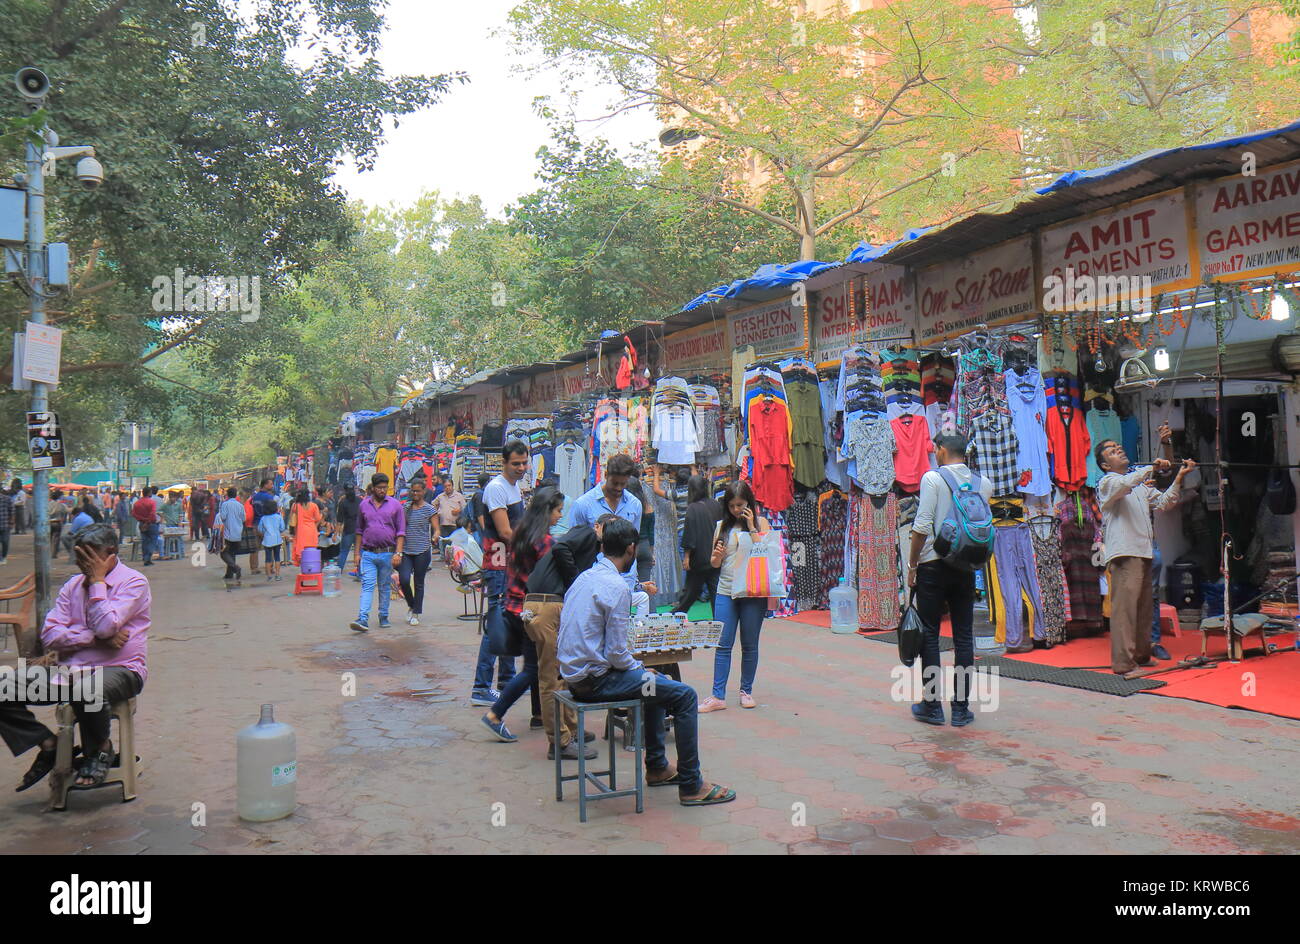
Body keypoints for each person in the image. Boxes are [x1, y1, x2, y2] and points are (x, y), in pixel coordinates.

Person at [558, 518, 736, 807]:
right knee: (685, 695)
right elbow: (616, 653)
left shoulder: (585, 577)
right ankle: (692, 785)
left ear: (604, 547)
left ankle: (657, 766)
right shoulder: (616, 586)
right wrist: (639, 669)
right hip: (594, 682)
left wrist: (642, 671)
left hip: (575, 674)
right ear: (630, 549)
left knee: (656, 683)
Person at [1, 524, 148, 790]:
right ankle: (49, 745)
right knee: (3, 686)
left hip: (121, 669)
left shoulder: (134, 582)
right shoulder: (72, 585)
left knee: (87, 689)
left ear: (110, 553)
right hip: (70, 670)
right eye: (79, 557)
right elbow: (51, 635)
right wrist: (93, 638)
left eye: (88, 557)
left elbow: (106, 625)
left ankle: (101, 749)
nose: (82, 564)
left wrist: (98, 584)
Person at [906, 434, 994, 727]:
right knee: (964, 637)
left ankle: (932, 707)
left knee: (930, 634)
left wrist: (912, 564)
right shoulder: (983, 483)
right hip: (966, 566)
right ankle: (960, 709)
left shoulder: (932, 479)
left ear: (942, 451)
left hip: (933, 565)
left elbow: (921, 526)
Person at [1095, 438, 1195, 678]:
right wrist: (1152, 468)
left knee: (1143, 609)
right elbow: (1126, 482)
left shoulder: (1138, 483)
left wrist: (1179, 477)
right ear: (1105, 465)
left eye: (1119, 446)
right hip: (1125, 553)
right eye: (1112, 450)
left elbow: (1164, 502)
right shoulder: (1107, 482)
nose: (1119, 449)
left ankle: (1141, 655)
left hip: (1143, 551)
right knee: (1125, 611)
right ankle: (1123, 663)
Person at [480, 487, 574, 744]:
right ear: (546, 512)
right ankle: (495, 714)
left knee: (535, 666)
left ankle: (539, 716)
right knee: (535, 669)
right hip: (531, 611)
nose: (560, 516)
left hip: (514, 607)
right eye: (557, 511)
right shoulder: (545, 543)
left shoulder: (521, 533)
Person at [524, 511, 620, 759]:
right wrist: (574, 580)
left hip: (548, 604)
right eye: (609, 529)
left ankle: (571, 730)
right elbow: (561, 548)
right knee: (552, 679)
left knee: (562, 673)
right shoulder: (587, 532)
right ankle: (560, 742)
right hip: (546, 605)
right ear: (599, 526)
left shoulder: (594, 548)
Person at [698, 481, 770, 713]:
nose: (737, 510)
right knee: (723, 644)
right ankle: (717, 695)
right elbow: (714, 563)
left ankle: (745, 691)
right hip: (726, 591)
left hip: (752, 592)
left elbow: (765, 554)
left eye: (741, 504)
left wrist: (751, 527)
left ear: (749, 502)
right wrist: (716, 556)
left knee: (749, 645)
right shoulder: (721, 527)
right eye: (732, 506)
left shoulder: (762, 524)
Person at [473, 443, 527, 706]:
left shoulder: (513, 487)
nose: (521, 468)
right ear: (504, 463)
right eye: (516, 463)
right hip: (497, 566)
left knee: (509, 622)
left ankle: (507, 681)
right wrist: (536, 542)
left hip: (511, 565)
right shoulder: (496, 488)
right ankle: (481, 688)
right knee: (495, 627)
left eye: (524, 463)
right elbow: (506, 532)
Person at [350, 473, 404, 633]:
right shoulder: (364, 506)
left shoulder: (396, 505)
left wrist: (398, 553)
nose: (382, 490)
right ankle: (363, 618)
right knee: (367, 585)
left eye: (384, 488)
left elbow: (401, 532)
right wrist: (357, 554)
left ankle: (384, 615)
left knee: (384, 586)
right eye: (379, 488)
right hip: (368, 553)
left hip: (387, 553)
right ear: (373, 488)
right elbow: (359, 530)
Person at [674, 474, 722, 613]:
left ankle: (676, 617)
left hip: (699, 559)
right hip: (714, 556)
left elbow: (690, 534)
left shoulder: (692, 508)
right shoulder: (715, 504)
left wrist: (687, 557)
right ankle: (719, 622)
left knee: (689, 593)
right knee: (715, 593)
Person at [566, 454, 642, 533]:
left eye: (623, 484)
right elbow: (575, 541)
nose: (618, 488)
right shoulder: (582, 505)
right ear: (606, 475)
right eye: (614, 483)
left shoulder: (635, 504)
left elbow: (634, 540)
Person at [398, 477, 437, 625]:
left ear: (424, 491)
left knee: (419, 583)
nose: (415, 493)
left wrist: (436, 535)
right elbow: (400, 527)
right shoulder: (405, 507)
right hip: (406, 551)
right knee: (404, 579)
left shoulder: (430, 509)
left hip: (422, 550)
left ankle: (416, 613)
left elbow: (436, 528)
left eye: (418, 491)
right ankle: (411, 604)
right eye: (413, 491)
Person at [216, 486, 245, 584]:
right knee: (232, 553)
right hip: (238, 532)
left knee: (223, 553)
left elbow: (223, 517)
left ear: (227, 495)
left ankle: (235, 568)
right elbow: (243, 518)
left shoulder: (225, 504)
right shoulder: (240, 505)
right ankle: (229, 574)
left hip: (228, 532)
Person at [289, 489, 321, 567]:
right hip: (311, 530)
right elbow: (317, 518)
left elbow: (291, 518)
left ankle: (303, 568)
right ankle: (310, 566)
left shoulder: (295, 505)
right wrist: (322, 515)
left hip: (300, 531)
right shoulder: (314, 505)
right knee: (311, 549)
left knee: (301, 549)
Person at [258, 498, 286, 581]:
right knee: (277, 557)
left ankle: (269, 576)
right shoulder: (278, 517)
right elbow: (282, 528)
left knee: (268, 558)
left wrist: (265, 532)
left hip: (267, 540)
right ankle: (277, 575)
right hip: (277, 539)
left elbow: (260, 529)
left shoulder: (263, 518)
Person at [336, 486, 360, 579]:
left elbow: (339, 519)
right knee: (360, 552)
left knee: (344, 551)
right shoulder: (360, 501)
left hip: (348, 529)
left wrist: (336, 533)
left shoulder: (343, 502)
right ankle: (360, 573)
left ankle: (338, 571)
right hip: (359, 530)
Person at [131, 486, 160, 567]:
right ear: (149, 493)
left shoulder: (137, 503)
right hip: (151, 524)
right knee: (152, 541)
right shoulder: (151, 502)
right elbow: (152, 514)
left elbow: (133, 514)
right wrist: (147, 522)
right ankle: (148, 557)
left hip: (141, 523)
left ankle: (145, 557)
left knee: (145, 541)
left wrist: (142, 520)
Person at [432, 475, 466, 540]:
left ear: (452, 486)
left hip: (455, 526)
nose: (447, 488)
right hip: (443, 526)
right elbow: (433, 505)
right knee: (444, 544)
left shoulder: (459, 496)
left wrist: (459, 510)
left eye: (449, 485)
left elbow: (465, 509)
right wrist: (437, 512)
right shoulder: (440, 496)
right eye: (445, 486)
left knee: (455, 545)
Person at [48, 489, 70, 561]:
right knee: (56, 539)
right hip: (58, 522)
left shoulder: (48, 504)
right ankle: (54, 554)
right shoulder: (61, 505)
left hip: (49, 522)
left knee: (49, 538)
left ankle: (48, 552)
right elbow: (67, 511)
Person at [0, 483, 13, 565]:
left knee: (5, 542)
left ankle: (4, 556)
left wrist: (11, 522)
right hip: (5, 524)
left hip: (5, 524)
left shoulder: (7, 499)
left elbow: (12, 511)